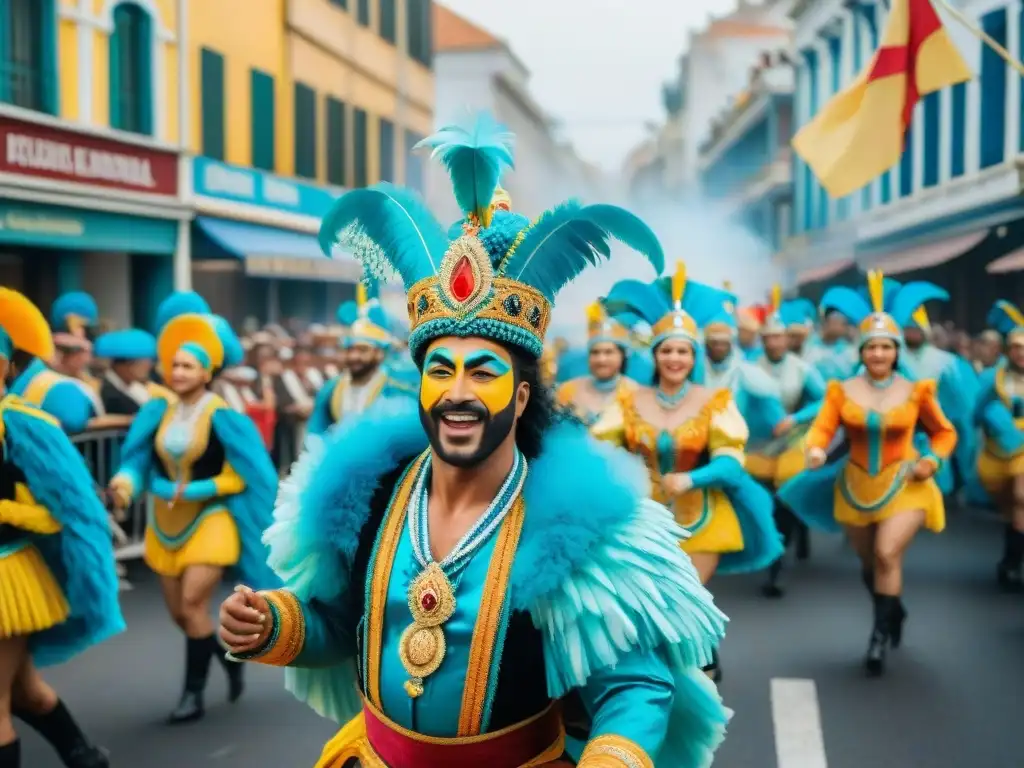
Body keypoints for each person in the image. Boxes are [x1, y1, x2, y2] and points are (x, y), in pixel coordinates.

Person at [219, 112, 730, 768]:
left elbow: (633, 682)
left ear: (520, 398)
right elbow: (341, 625)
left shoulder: (569, 527)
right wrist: (273, 624)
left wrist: (613, 755)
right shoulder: (372, 496)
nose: (458, 391)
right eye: (440, 370)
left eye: (483, 371)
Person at [601, 263, 782, 681]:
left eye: (683, 351)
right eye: (667, 350)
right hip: (643, 520)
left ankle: (701, 660)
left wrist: (692, 478)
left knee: (686, 595)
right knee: (654, 604)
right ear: (656, 354)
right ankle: (668, 675)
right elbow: (602, 450)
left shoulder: (714, 400)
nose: (675, 358)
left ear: (693, 356)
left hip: (702, 516)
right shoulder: (629, 400)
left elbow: (731, 459)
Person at [779, 272, 957, 677]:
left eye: (885, 347)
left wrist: (933, 460)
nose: (878, 354)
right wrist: (816, 449)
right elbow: (823, 428)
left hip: (907, 483)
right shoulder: (841, 390)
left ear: (896, 351)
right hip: (856, 485)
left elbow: (945, 432)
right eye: (871, 347)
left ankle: (877, 637)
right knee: (868, 562)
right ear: (861, 351)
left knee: (885, 552)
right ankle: (892, 607)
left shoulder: (917, 391)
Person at [107, 313, 280, 724]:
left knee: (192, 602)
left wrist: (198, 490)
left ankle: (192, 695)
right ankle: (230, 659)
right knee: (184, 616)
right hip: (165, 526)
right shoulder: (156, 412)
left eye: (188, 365)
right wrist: (124, 485)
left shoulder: (223, 416)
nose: (178, 372)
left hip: (212, 519)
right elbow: (137, 461)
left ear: (206, 372)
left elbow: (248, 473)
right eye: (175, 364)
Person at [0, 287, 124, 768]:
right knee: (24, 691)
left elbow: (64, 511)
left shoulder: (22, 427)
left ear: (8, 368)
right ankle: (84, 755)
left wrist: (8, 512)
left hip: (7, 578)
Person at [748, 288, 826, 597]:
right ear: (762, 340)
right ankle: (782, 538)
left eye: (779, 337)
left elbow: (823, 401)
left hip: (793, 438)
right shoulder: (749, 367)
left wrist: (795, 419)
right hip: (758, 442)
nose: (774, 343)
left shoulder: (802, 369)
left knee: (785, 497)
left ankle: (777, 566)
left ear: (787, 340)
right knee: (763, 501)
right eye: (768, 338)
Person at [307, 281, 416, 438]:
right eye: (350, 349)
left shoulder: (398, 389)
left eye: (362, 350)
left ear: (380, 353)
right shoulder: (331, 389)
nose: (354, 356)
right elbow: (315, 434)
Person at [973, 300, 1024, 591]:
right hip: (1000, 455)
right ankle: (1011, 557)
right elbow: (976, 414)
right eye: (1016, 347)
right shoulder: (994, 378)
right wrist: (995, 418)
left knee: (1021, 495)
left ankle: (1014, 562)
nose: (1022, 353)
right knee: (1013, 507)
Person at [554, 303, 646, 436]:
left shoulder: (637, 395)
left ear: (622, 356)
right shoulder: (567, 391)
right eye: (595, 352)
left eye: (608, 352)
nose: (601, 359)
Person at [95, 328, 173, 419]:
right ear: (125, 365)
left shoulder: (136, 387)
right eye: (143, 362)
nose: (149, 366)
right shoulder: (107, 393)